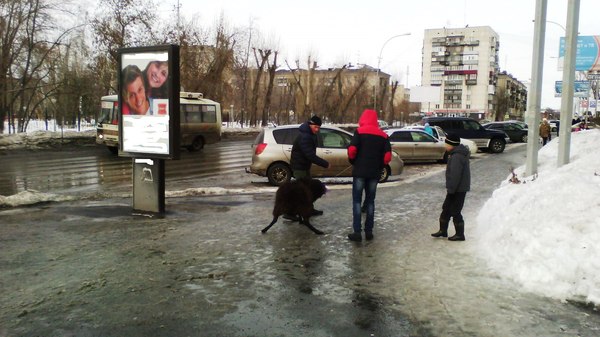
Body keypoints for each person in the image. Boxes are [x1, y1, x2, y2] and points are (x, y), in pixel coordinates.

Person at [346, 109, 392, 242]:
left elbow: (352, 150)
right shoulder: (383, 136)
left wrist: (353, 162)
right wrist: (379, 166)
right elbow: (387, 157)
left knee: (356, 201)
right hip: (374, 174)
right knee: (370, 202)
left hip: (359, 172)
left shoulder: (359, 132)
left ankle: (357, 232)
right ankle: (369, 231)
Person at [286, 115, 330, 218]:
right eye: (316, 127)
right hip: (299, 167)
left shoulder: (308, 134)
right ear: (310, 125)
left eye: (319, 128)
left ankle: (309, 209)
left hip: (304, 167)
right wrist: (325, 163)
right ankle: (290, 213)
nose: (317, 130)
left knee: (307, 190)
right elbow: (309, 155)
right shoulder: (305, 137)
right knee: (301, 192)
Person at [431, 133, 471, 241]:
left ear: (451, 144)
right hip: (455, 188)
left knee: (455, 211)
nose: (445, 145)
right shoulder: (455, 154)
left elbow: (455, 175)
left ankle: (460, 234)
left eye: (446, 143)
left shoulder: (457, 156)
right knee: (446, 208)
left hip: (458, 189)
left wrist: (451, 189)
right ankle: (443, 231)